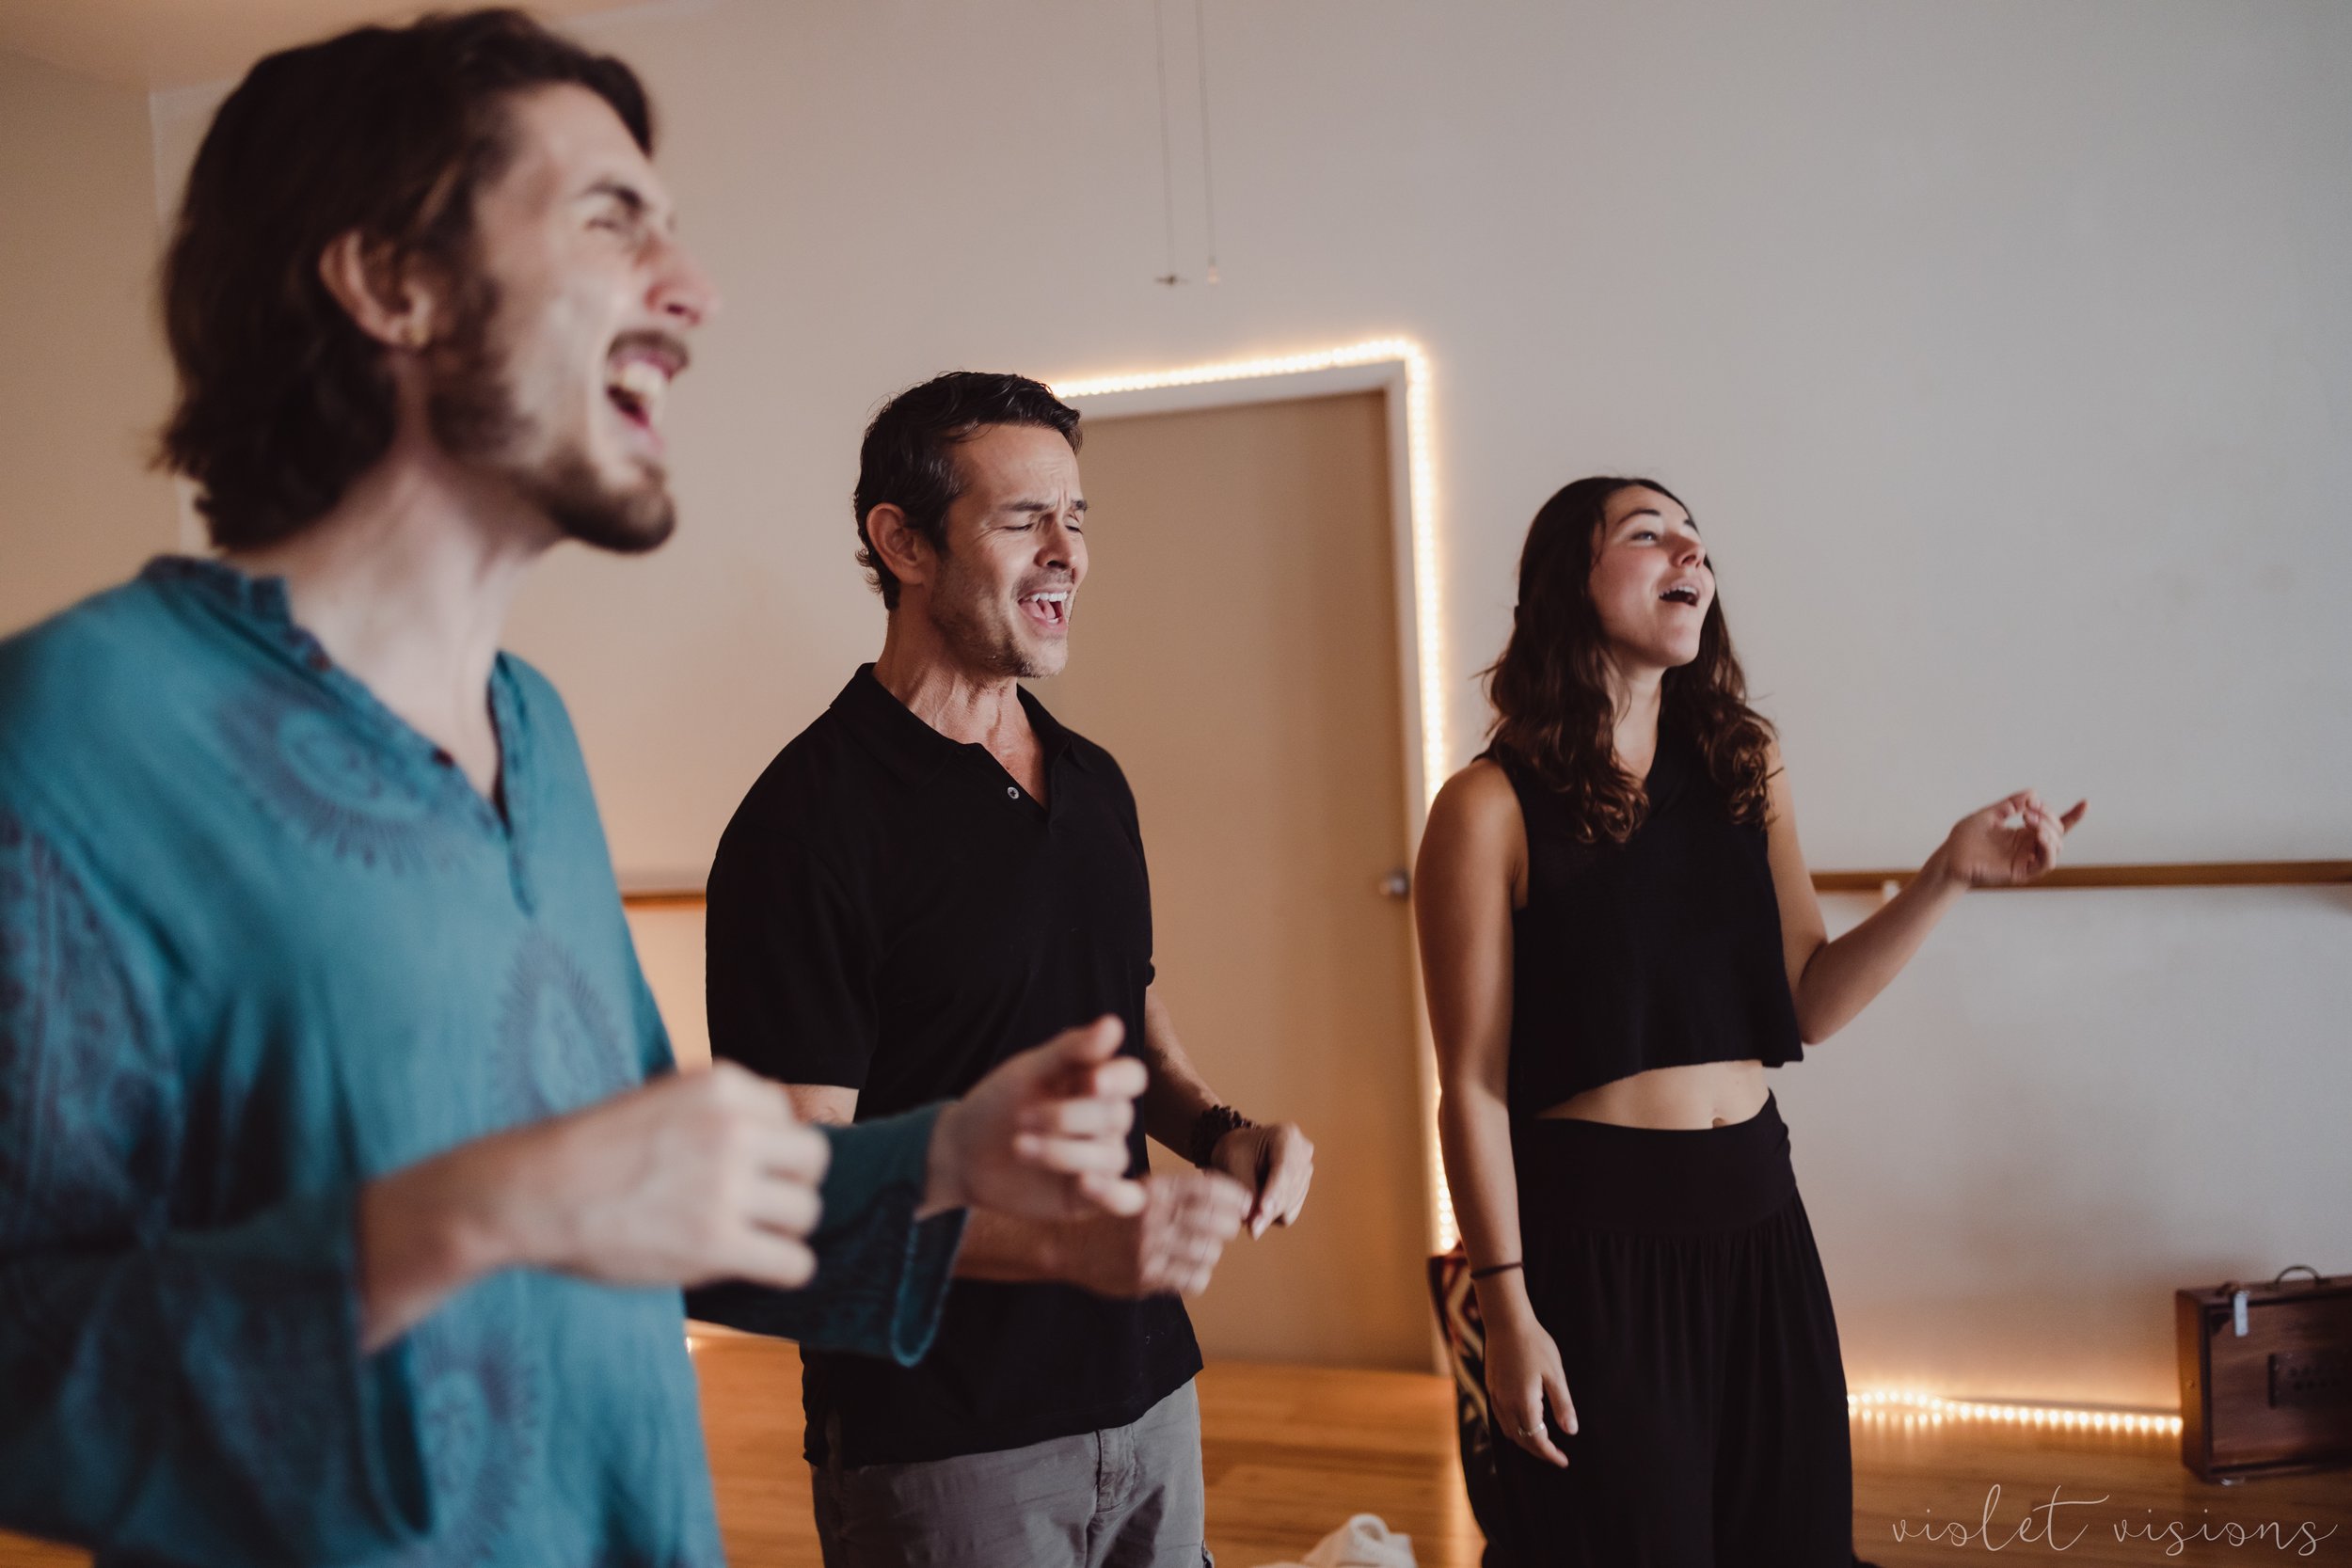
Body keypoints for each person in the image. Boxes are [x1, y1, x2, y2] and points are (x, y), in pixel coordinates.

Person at [0, 15, 1148, 1565]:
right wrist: (478, 1211)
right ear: (391, 281)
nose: (693, 291)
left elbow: (655, 1201)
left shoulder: (529, 727)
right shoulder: (81, 729)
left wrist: (937, 1155)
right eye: (612, 220)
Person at [694, 372, 1318, 1568]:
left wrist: (1222, 1132)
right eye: (1024, 518)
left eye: (1076, 517)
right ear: (903, 542)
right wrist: (1064, 1247)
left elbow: (1121, 1009)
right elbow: (800, 1188)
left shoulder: (1093, 782)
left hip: (1148, 1386)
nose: (1066, 553)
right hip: (942, 1435)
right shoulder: (804, 826)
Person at [1414, 476, 2086, 1566]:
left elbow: (1805, 999)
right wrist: (1505, 1307)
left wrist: (1946, 876)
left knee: (1794, 1542)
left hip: (1760, 1218)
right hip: (1594, 1248)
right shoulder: (1485, 807)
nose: (1692, 552)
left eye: (1697, 538)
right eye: (1649, 533)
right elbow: (1474, 1087)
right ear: (1566, 581)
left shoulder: (1742, 763)